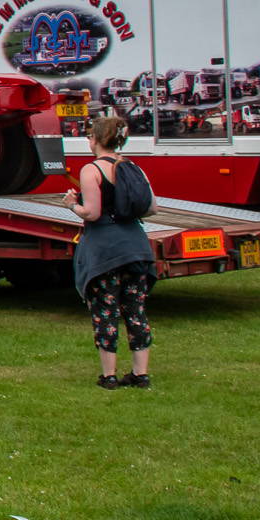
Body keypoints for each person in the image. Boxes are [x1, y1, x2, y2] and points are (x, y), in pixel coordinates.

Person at [63, 113, 156, 390]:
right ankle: (140, 374)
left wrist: (71, 204)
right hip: (137, 247)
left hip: (105, 250)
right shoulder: (134, 167)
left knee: (106, 312)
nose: (88, 141)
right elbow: (152, 207)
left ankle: (109, 375)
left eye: (90, 136)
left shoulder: (91, 170)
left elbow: (91, 213)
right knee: (136, 311)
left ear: (97, 140)